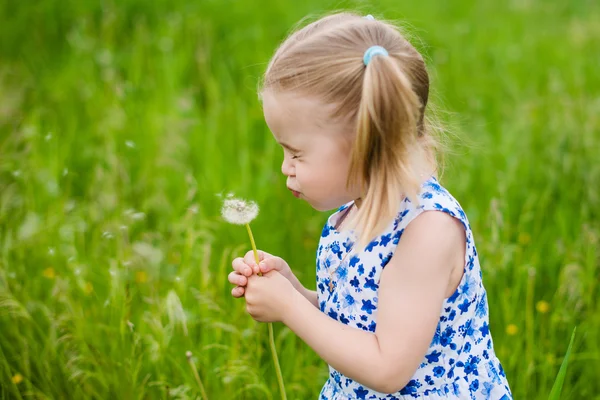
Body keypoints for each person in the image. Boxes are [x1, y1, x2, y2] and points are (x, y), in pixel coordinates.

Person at [228, 12, 512, 399]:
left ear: (365, 146)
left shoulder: (427, 233)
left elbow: (387, 368)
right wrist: (294, 292)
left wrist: (292, 309)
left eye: (296, 153)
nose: (285, 168)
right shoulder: (352, 212)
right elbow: (361, 320)